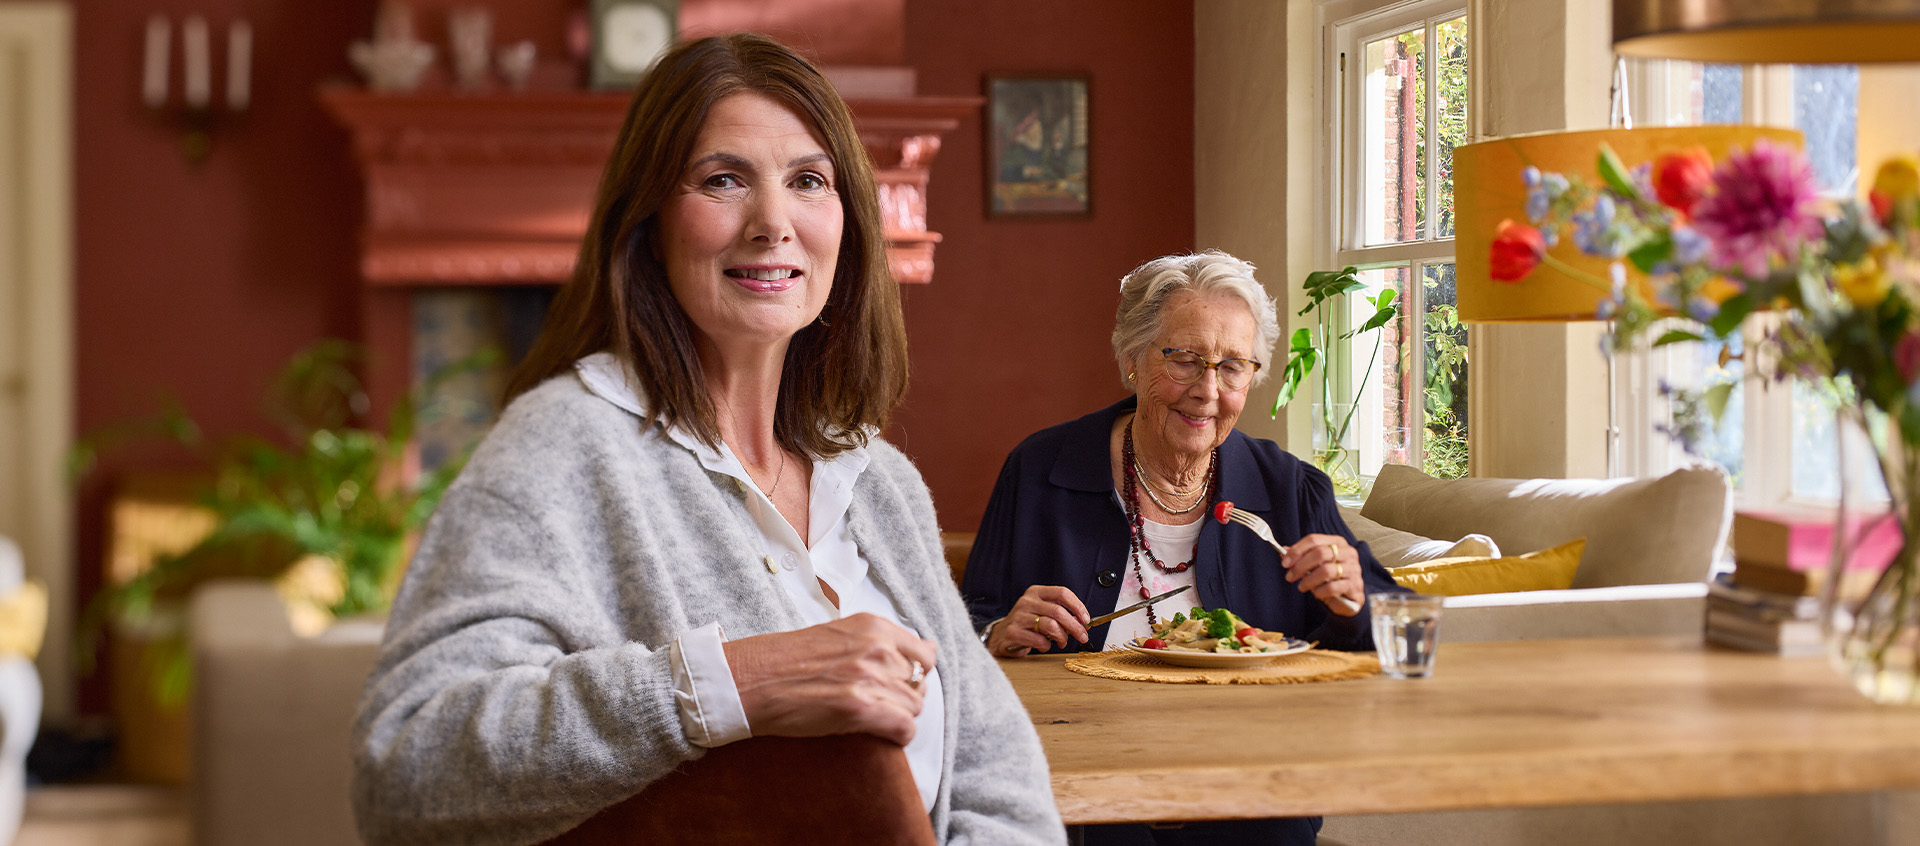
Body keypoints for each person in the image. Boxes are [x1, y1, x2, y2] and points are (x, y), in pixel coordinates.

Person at [351, 33, 1064, 846]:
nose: (773, 223)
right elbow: (406, 766)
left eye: (808, 181)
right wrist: (730, 683)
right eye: (723, 179)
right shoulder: (563, 446)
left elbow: (996, 774)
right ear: (649, 220)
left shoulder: (880, 479)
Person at [960, 249, 1407, 846]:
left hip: (1247, 795)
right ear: (1132, 362)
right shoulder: (1042, 469)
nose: (1208, 390)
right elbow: (962, 623)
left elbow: (1391, 623)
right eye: (1185, 360)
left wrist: (1350, 600)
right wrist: (998, 632)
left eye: (1233, 367)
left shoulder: (1289, 488)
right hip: (1074, 787)